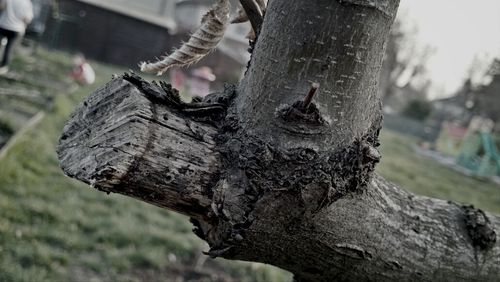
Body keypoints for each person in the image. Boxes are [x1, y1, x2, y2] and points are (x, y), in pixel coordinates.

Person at [0, 0, 34, 74]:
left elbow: (2, 7)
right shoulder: (27, 3)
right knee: (9, 48)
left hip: (3, 25)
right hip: (16, 29)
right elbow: (27, 19)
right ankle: (3, 67)